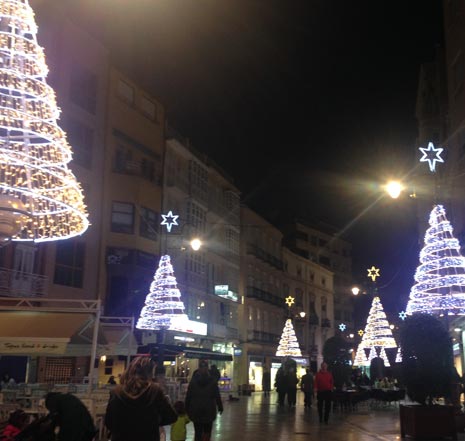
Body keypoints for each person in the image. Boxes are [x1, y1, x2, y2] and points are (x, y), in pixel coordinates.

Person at [105, 356, 177, 441]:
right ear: (148, 373)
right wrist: (153, 421)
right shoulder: (155, 391)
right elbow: (171, 417)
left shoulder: (116, 392)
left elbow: (109, 422)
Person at [185, 360, 223, 441]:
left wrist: (186, 408)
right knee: (207, 432)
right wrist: (220, 406)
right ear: (207, 369)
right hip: (209, 410)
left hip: (196, 410)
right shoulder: (212, 381)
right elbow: (217, 395)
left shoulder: (193, 381)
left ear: (198, 369)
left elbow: (188, 395)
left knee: (198, 432)